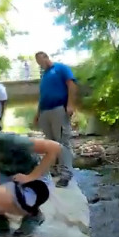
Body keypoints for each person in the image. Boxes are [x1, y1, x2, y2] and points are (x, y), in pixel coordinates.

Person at [33, 51, 77, 187]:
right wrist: (37, 114)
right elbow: (42, 97)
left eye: (41, 60)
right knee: (50, 143)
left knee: (62, 142)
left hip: (58, 109)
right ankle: (55, 170)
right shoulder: (44, 76)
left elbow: (72, 85)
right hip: (45, 112)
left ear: (46, 57)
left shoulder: (60, 68)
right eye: (38, 63)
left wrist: (70, 104)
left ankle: (66, 174)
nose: (40, 64)